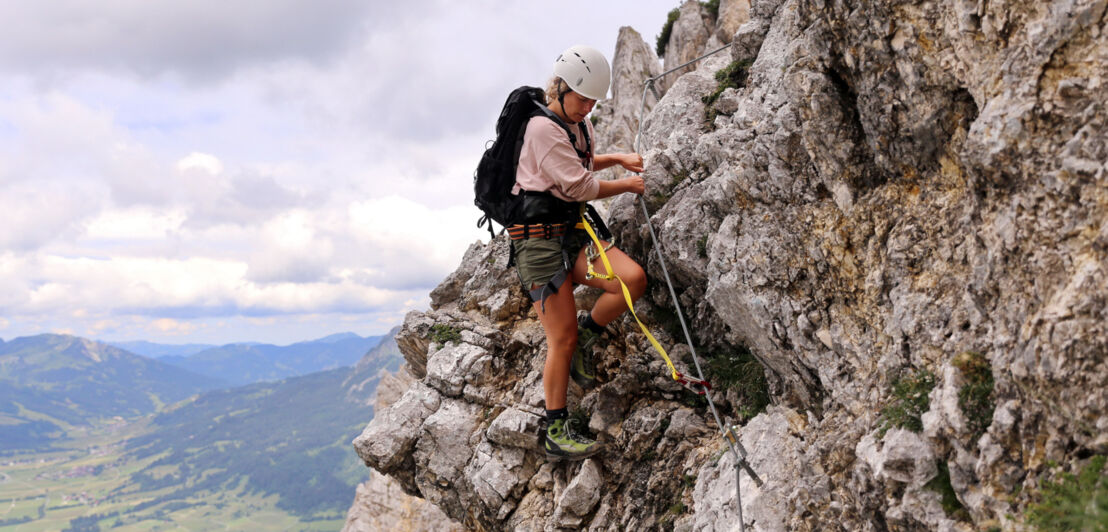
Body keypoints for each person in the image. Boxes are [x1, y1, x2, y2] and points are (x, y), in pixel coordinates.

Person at [509, 45, 647, 461]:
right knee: (560, 338)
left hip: (570, 235)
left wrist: (616, 158)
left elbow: (581, 163)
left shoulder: (577, 126)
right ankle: (555, 429)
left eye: (593, 101)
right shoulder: (541, 128)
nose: (587, 107)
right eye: (582, 98)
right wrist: (625, 182)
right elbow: (579, 187)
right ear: (561, 88)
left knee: (633, 280)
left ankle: (590, 337)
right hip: (538, 245)